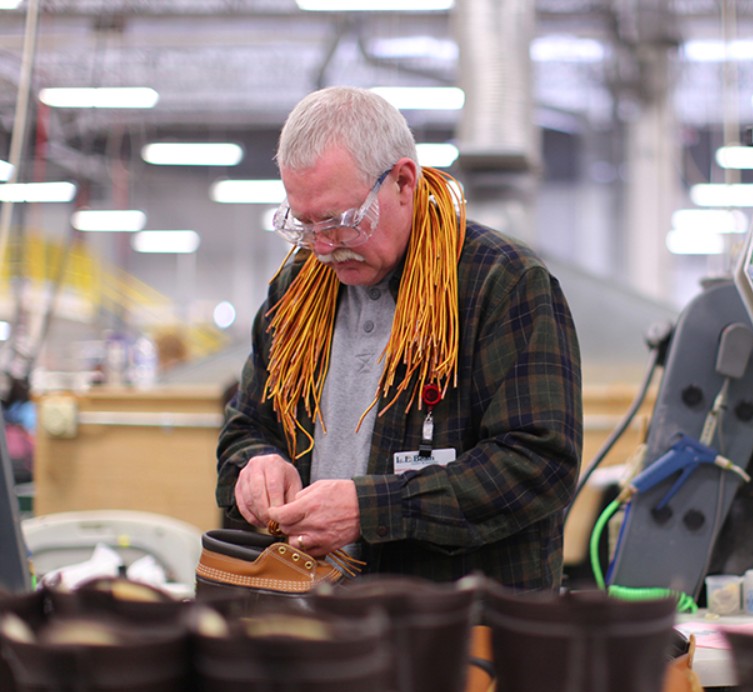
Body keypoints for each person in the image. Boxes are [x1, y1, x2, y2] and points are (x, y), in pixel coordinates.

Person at [216, 86, 583, 590]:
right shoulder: (296, 290)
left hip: (459, 629)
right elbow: (245, 424)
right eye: (304, 225)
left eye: (341, 221)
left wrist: (372, 510)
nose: (323, 247)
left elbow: (540, 464)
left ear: (403, 182)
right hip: (315, 617)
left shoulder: (501, 284)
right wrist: (255, 463)